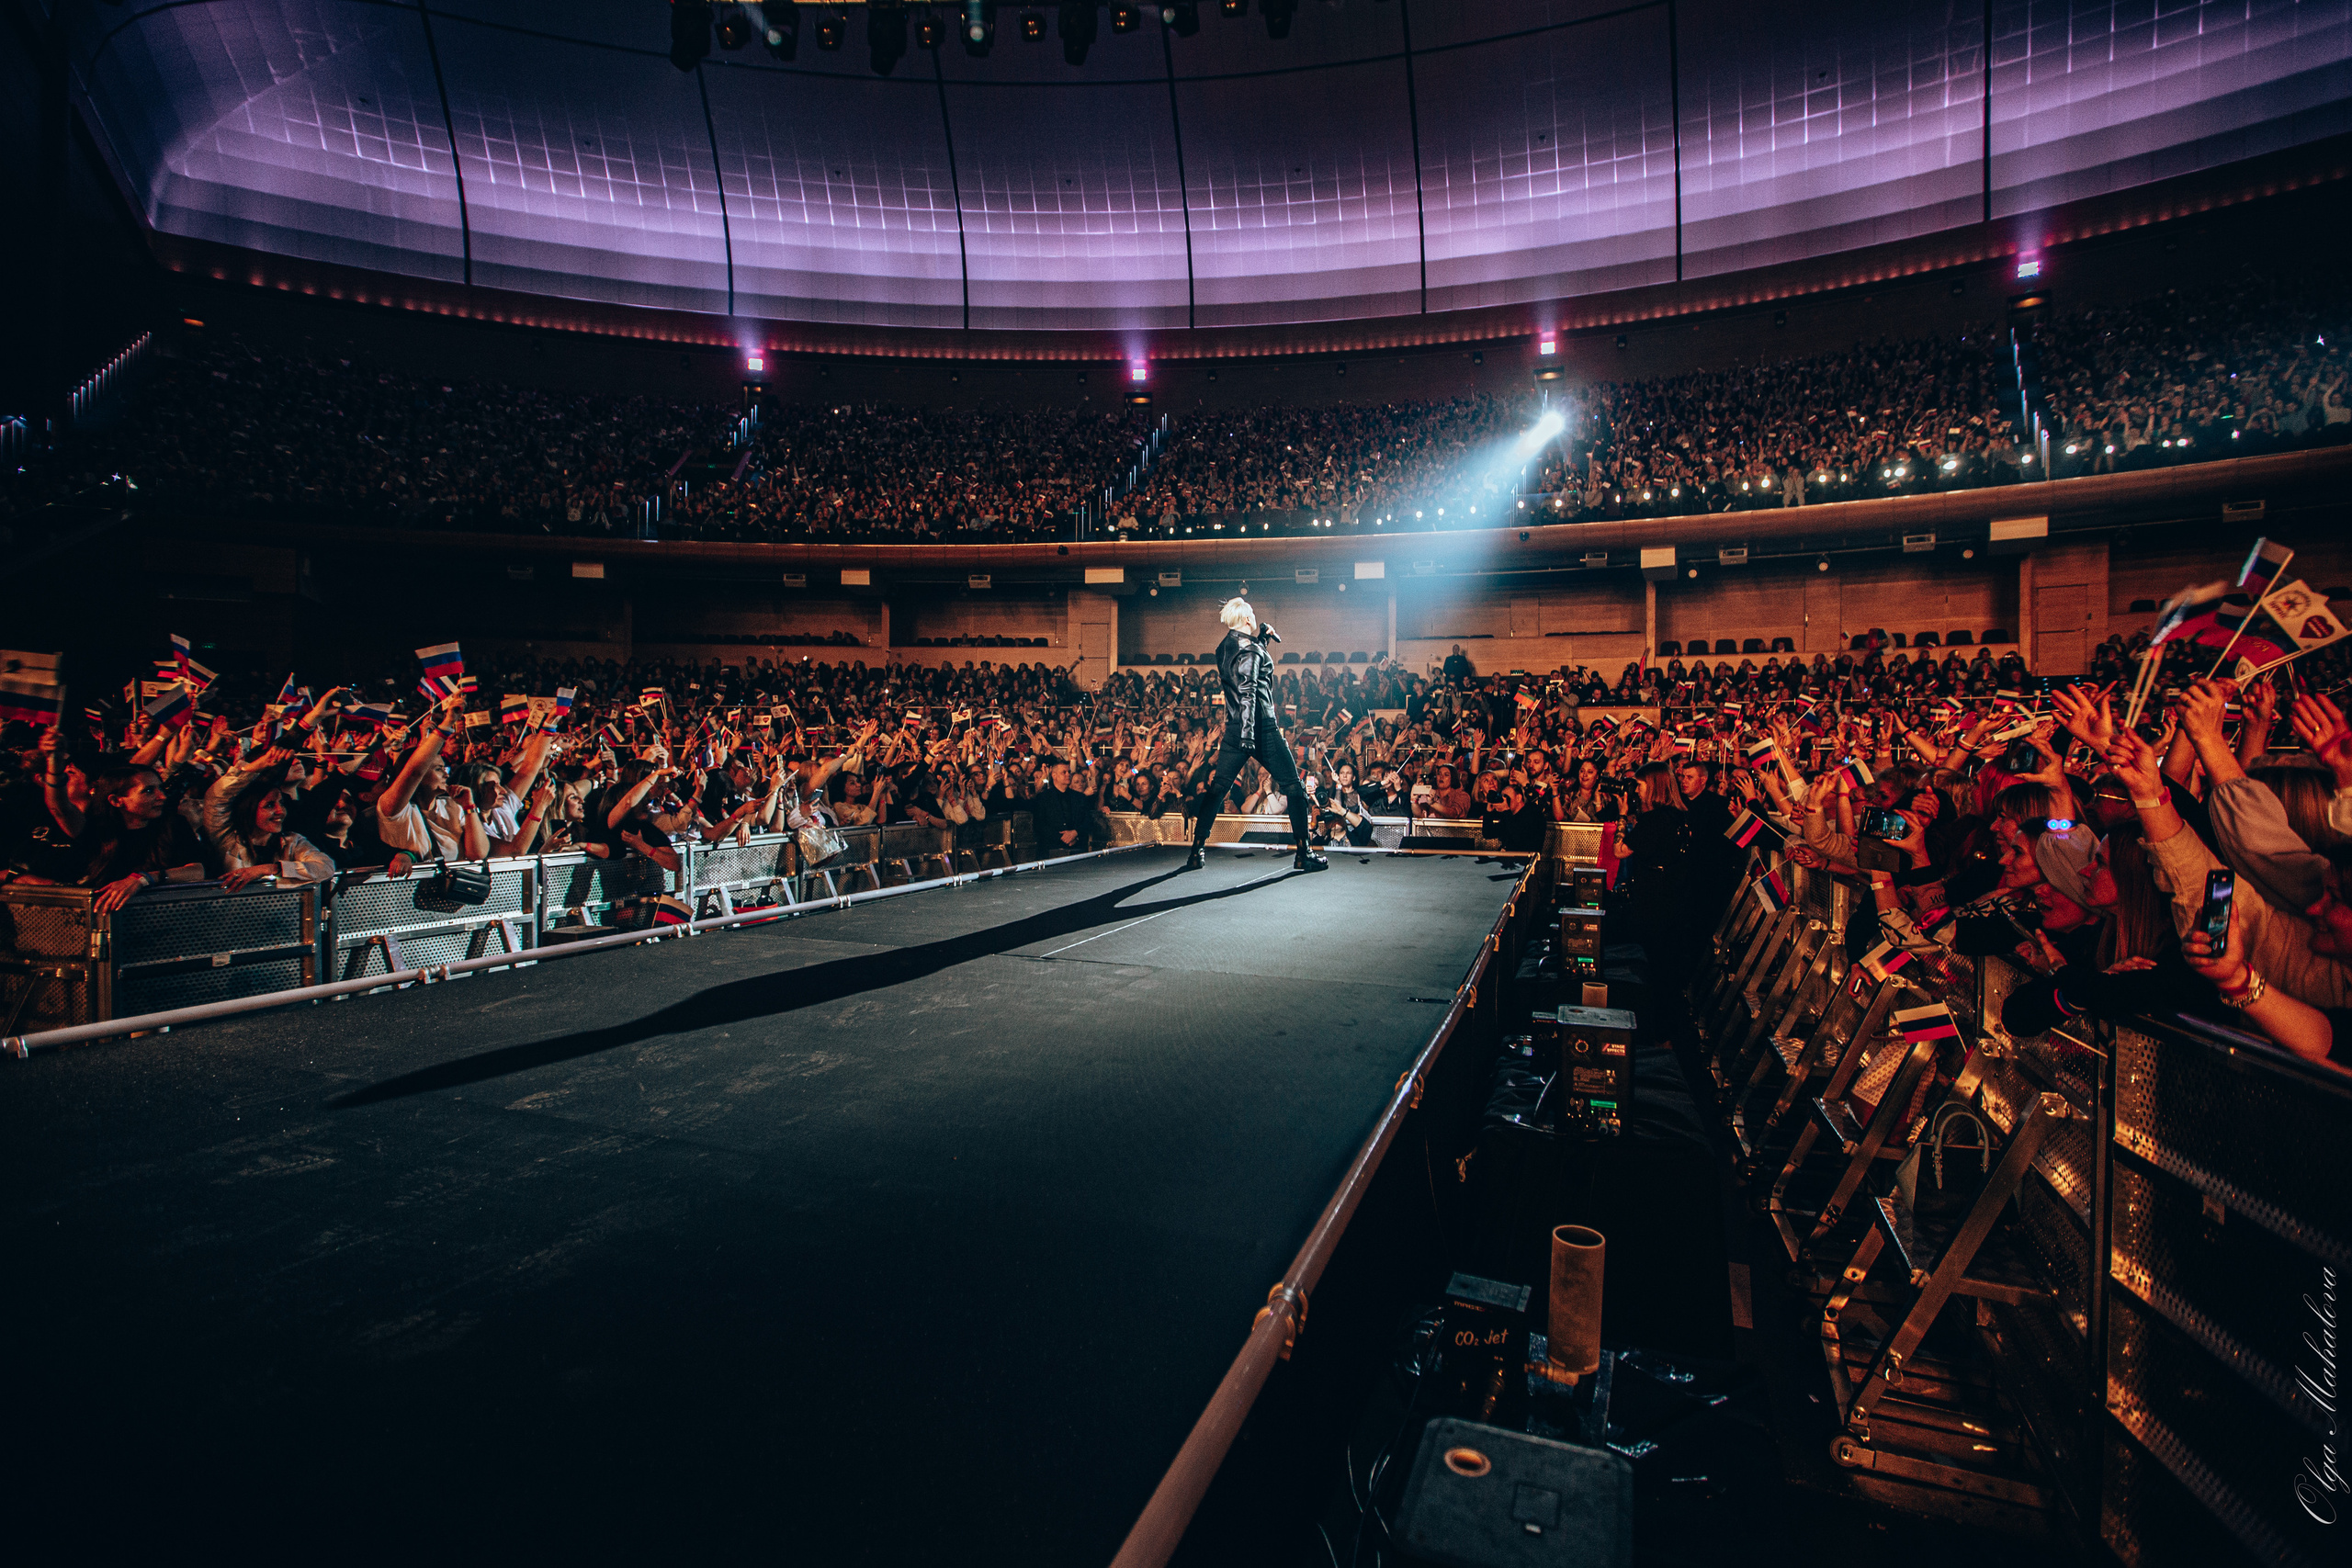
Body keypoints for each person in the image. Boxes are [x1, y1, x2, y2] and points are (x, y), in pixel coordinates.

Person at [1187, 597, 1323, 873]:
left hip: (1234, 726)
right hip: (1260, 727)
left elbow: (1243, 674)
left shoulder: (1225, 647)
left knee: (1218, 788)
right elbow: (1248, 691)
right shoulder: (1250, 650)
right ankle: (1304, 853)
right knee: (1294, 787)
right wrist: (1249, 736)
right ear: (1248, 619)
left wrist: (1262, 640)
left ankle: (1196, 851)